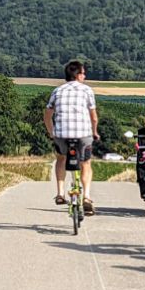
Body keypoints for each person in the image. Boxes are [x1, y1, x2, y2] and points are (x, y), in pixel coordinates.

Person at [43, 60, 100, 214]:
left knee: (61, 158)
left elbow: (47, 115)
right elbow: (94, 117)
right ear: (78, 75)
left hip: (61, 134)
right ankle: (86, 197)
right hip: (82, 134)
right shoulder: (87, 90)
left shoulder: (57, 91)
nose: (85, 76)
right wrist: (95, 132)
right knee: (86, 163)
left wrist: (51, 132)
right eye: (83, 73)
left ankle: (60, 193)